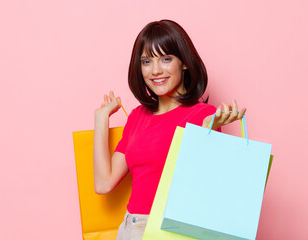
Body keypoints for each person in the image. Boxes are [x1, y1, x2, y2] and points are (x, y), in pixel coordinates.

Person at [93, 19, 246, 240]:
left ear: (184, 62)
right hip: (132, 228)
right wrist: (100, 120)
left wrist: (205, 133)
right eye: (146, 61)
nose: (155, 70)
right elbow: (104, 183)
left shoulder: (203, 115)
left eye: (166, 59)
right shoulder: (137, 117)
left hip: (174, 229)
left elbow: (201, 186)